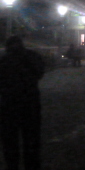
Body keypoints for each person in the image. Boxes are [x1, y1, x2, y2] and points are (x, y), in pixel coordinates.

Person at [0, 36, 45, 170]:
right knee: (31, 141)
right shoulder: (32, 57)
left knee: (10, 142)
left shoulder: (4, 60)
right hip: (30, 104)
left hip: (9, 105)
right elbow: (40, 73)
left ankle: (12, 166)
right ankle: (32, 165)